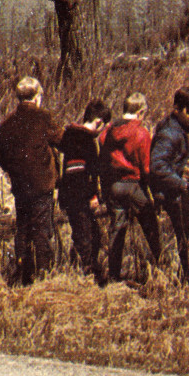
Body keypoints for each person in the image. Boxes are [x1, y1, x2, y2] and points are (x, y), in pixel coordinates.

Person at [0, 76, 64, 286]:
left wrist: (14, 169)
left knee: (23, 230)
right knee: (42, 231)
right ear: (37, 96)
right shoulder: (42, 117)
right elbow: (61, 139)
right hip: (42, 184)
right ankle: (45, 278)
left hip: (20, 185)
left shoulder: (7, 123)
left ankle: (24, 277)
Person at [98, 91, 161, 282]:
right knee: (150, 225)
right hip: (133, 184)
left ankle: (114, 275)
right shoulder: (141, 133)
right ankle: (161, 266)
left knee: (117, 230)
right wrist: (154, 193)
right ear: (141, 112)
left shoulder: (108, 131)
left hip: (113, 187)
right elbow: (147, 167)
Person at [150, 86, 189, 282]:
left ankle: (188, 281)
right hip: (175, 194)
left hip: (178, 190)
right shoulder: (170, 133)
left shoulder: (179, 126)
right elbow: (157, 166)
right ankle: (188, 284)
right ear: (177, 109)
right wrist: (181, 183)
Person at [58, 98, 108, 284]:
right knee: (86, 236)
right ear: (98, 122)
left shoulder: (71, 136)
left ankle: (90, 270)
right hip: (78, 198)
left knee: (91, 234)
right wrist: (92, 195)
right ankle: (89, 276)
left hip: (72, 196)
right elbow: (81, 173)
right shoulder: (83, 140)